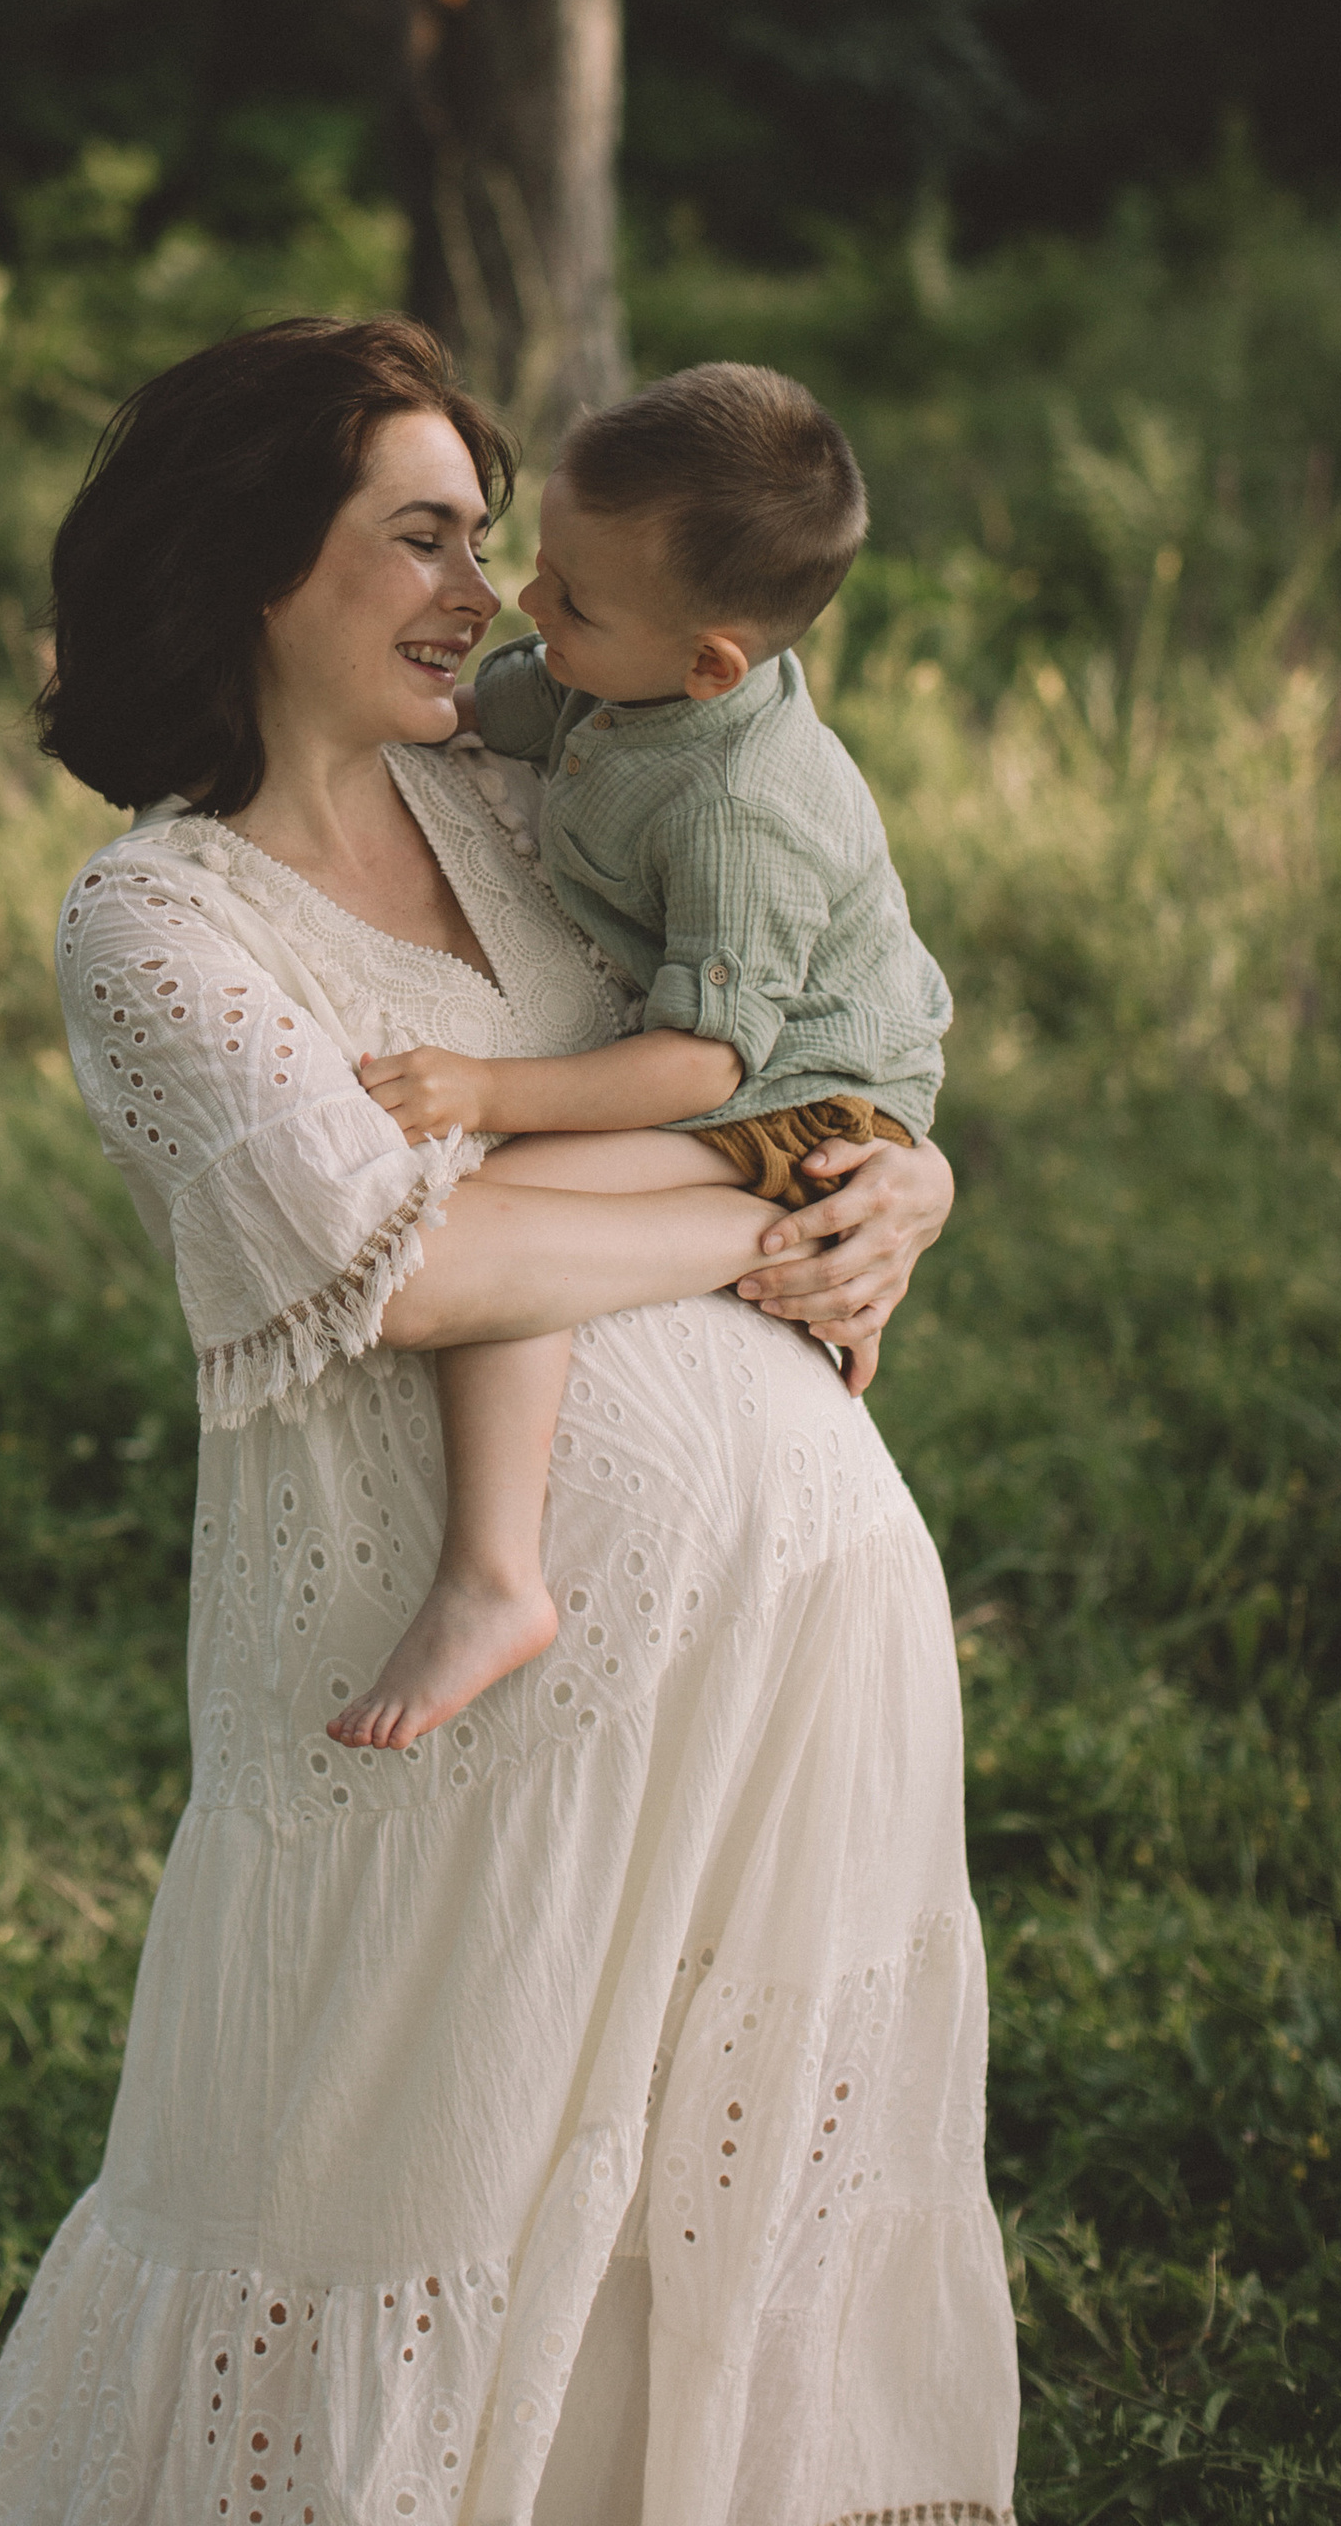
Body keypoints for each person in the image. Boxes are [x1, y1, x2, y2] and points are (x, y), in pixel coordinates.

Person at [0, 312, 1016, 2526]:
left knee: (719, 2260)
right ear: (252, 561)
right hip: (442, 1740)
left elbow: (794, 1003)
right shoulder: (156, 923)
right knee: (350, 2231)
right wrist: (762, 1201)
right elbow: (402, 1266)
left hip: (790, 1656)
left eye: (487, 542)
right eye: (420, 540)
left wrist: (895, 1163)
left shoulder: (536, 784)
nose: (479, 596)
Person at [333, 362, 952, 1753]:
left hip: (809, 1103)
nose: (525, 606)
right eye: (539, 567)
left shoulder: (744, 808)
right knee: (514, 1190)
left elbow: (701, 1070)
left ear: (712, 664)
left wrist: (493, 1091)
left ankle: (494, 1577)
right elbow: (484, 711)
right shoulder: (618, 678)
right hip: (753, 1084)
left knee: (502, 1194)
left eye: (573, 601)